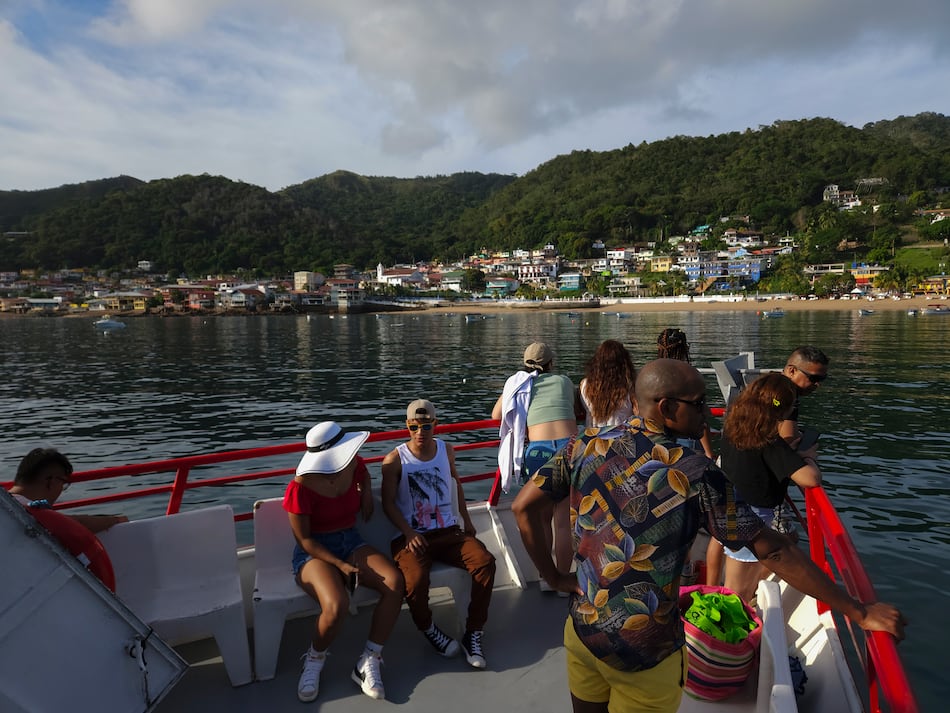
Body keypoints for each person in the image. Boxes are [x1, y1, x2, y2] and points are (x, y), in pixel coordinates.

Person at [512, 359, 906, 713]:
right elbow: (773, 552)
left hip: (583, 628)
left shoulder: (586, 445)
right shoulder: (694, 471)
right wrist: (859, 611)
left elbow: (523, 506)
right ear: (667, 408)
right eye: (698, 403)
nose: (708, 411)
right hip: (645, 649)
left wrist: (554, 577)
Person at [284, 421, 405, 702]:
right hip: (314, 551)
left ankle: (369, 659)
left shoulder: (353, 465)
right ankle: (314, 659)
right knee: (336, 604)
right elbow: (305, 541)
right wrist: (340, 567)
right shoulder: (300, 487)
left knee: (395, 582)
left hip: (349, 540)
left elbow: (363, 472)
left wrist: (366, 493)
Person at [381, 399, 496, 669]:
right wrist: (408, 533)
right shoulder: (394, 460)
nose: (420, 432)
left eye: (426, 426)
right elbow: (387, 503)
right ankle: (428, 627)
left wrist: (466, 519)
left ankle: (473, 632)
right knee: (416, 579)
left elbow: (456, 483)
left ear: (436, 425)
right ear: (407, 426)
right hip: (413, 536)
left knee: (485, 562)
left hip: (449, 531)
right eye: (414, 427)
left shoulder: (447, 451)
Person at [719, 373, 822, 602]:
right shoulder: (768, 441)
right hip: (753, 518)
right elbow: (810, 478)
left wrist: (790, 454)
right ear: (784, 409)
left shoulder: (735, 427)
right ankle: (722, 632)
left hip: (730, 506)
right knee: (738, 590)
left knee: (739, 579)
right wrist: (808, 457)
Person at [492, 342, 577, 590]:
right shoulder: (563, 381)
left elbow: (497, 415)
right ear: (551, 363)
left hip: (538, 450)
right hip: (567, 448)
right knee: (563, 522)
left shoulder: (519, 385)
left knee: (542, 519)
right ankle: (563, 579)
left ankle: (546, 580)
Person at [9, 447, 127, 532]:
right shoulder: (26, 511)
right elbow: (73, 525)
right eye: (63, 483)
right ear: (51, 481)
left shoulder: (7, 503)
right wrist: (115, 520)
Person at [577, 339, 636, 429]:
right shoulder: (630, 385)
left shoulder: (585, 385)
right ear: (625, 362)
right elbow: (638, 413)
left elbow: (581, 410)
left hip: (593, 439)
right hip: (623, 439)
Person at [780, 345, 830, 445]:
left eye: (821, 379)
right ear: (792, 371)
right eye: (813, 378)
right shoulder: (785, 395)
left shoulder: (770, 383)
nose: (817, 384)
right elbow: (788, 441)